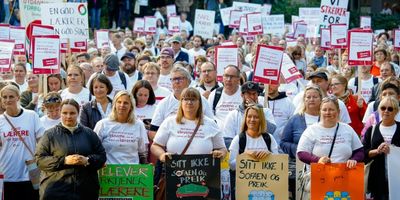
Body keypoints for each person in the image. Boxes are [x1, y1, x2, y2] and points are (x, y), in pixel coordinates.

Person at [35, 99, 107, 200]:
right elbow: (40, 160)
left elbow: (102, 156)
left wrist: (87, 160)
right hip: (56, 191)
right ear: (60, 113)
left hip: (85, 191)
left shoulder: (89, 134)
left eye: (72, 113)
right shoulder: (49, 135)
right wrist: (64, 160)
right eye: (65, 113)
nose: (68, 116)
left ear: (78, 113)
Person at [151, 87, 227, 160]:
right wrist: (162, 155)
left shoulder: (211, 124)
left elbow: (222, 149)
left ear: (200, 103)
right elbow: (155, 146)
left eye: (193, 99)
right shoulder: (169, 122)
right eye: (186, 99)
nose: (189, 102)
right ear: (181, 102)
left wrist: (220, 153)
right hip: (176, 170)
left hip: (204, 170)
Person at [0, 85, 45, 200]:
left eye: (11, 96)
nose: (7, 100)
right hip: (7, 174)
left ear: (18, 97)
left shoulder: (31, 116)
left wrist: (39, 160)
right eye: (4, 97)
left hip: (29, 174)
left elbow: (42, 141)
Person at [280, 85, 324, 199]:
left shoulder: (326, 117)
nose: (311, 99)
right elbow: (284, 142)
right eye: (308, 97)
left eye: (315, 97)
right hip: (298, 167)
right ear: (304, 100)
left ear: (321, 99)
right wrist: (300, 150)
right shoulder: (295, 119)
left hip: (322, 166)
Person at [297, 96, 364, 168]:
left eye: (331, 110)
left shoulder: (347, 129)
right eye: (324, 110)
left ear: (338, 111)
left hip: (344, 175)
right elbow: (301, 153)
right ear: (320, 111)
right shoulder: (311, 130)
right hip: (320, 174)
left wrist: (354, 159)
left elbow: (359, 151)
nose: (327, 112)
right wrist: (318, 160)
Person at [94, 91, 148, 164]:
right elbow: (94, 149)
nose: (122, 105)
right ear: (114, 105)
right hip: (108, 172)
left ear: (131, 106)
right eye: (119, 102)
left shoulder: (139, 125)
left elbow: (142, 153)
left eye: (126, 103)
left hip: (132, 172)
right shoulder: (102, 124)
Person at [363, 96, 400, 200]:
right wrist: (377, 151)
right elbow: (364, 154)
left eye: (390, 109)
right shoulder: (372, 130)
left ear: (396, 111)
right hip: (377, 179)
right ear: (379, 110)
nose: (386, 111)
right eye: (383, 108)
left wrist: (393, 149)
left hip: (397, 178)